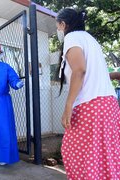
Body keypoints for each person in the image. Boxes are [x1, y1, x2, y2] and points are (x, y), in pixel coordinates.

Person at [56, 8, 120, 179]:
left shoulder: (72, 37)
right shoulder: (91, 40)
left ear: (63, 24)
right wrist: (113, 75)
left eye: (58, 27)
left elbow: (80, 70)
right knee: (104, 157)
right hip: (108, 105)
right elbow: (93, 72)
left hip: (90, 106)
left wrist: (68, 105)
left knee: (77, 154)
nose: (58, 31)